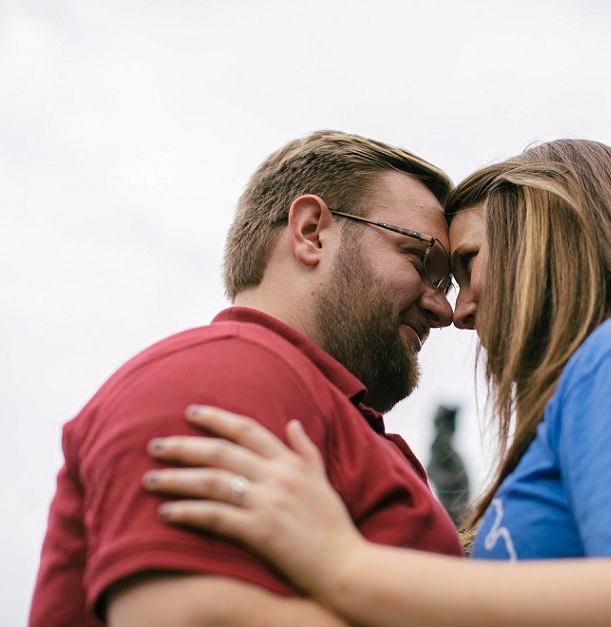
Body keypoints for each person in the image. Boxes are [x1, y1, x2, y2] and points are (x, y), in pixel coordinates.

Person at [141, 139, 611, 626]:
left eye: (467, 264)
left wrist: (342, 564)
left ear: (549, 234)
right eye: (439, 273)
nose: (458, 310)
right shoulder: (596, 393)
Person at [29, 130, 465, 627]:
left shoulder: (307, 403)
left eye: (445, 283)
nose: (445, 309)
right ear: (311, 232)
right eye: (418, 260)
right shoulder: (226, 375)